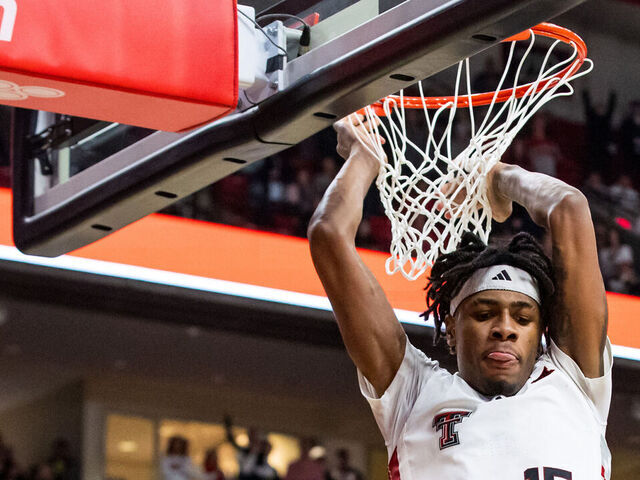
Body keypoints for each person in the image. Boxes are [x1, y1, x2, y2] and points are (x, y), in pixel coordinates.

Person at [307, 114, 612, 479]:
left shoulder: (572, 381)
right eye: (484, 314)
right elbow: (328, 235)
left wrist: (496, 177)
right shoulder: (414, 393)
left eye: (523, 317)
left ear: (542, 330)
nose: (505, 329)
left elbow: (569, 208)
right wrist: (364, 156)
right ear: (450, 328)